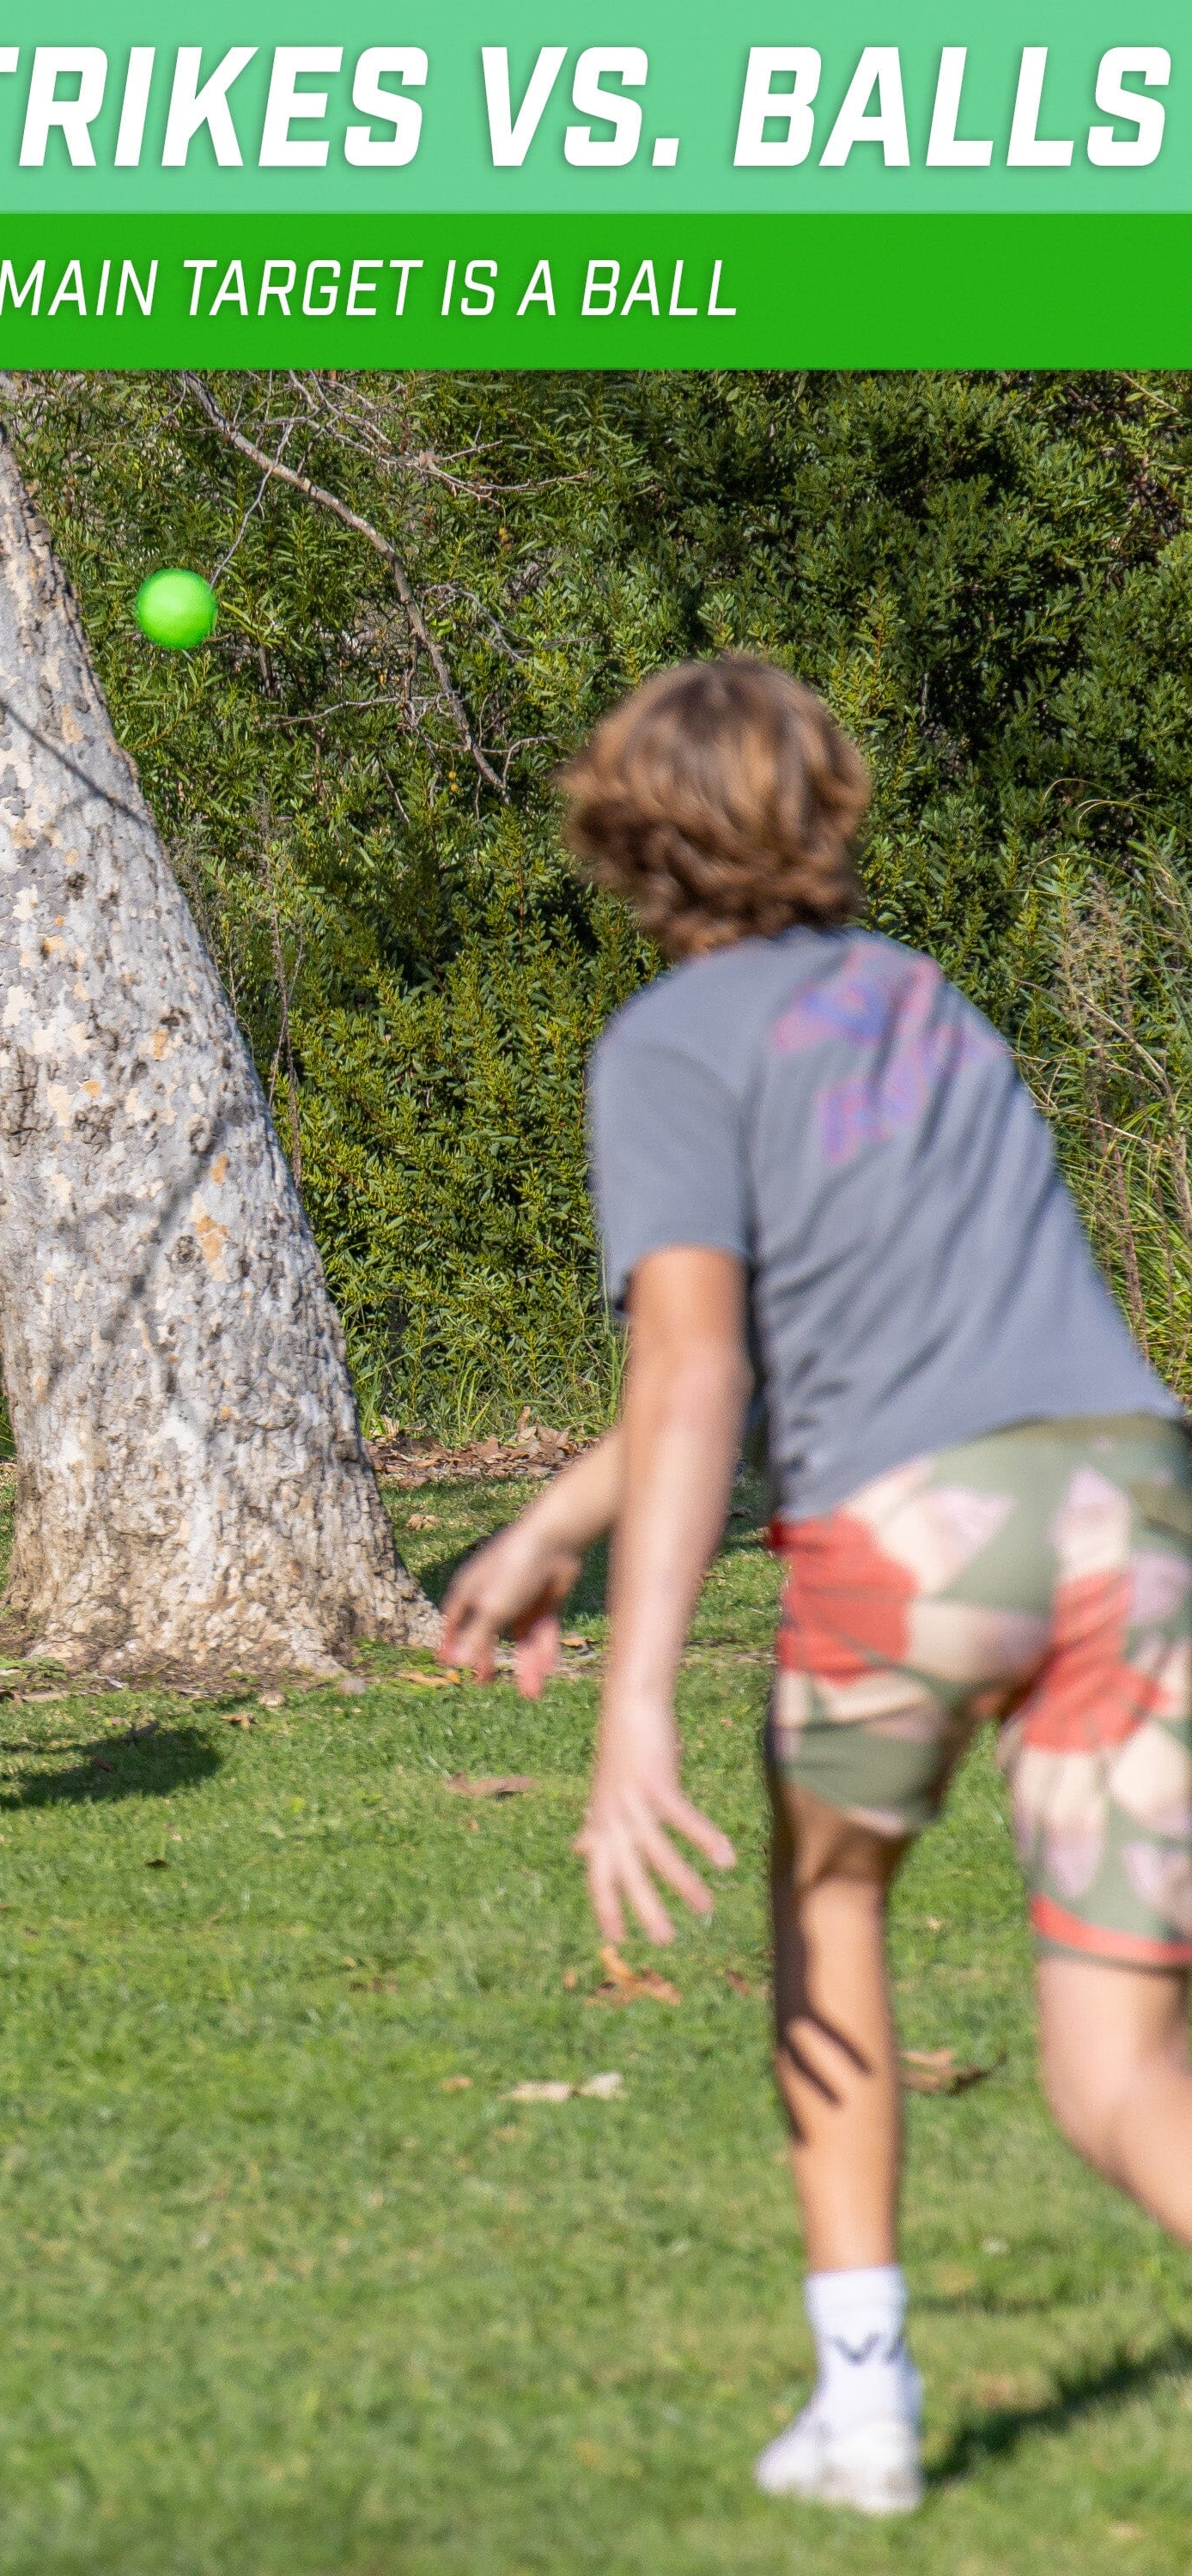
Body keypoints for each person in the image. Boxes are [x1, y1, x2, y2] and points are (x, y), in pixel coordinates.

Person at [438, 656, 1192, 2518]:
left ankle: (865, 2407)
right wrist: (550, 1522)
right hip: (1132, 1504)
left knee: (828, 1892)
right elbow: (828, 1337)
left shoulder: (670, 1049)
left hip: (920, 1538)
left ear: (625, 833)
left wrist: (635, 1707)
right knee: (1115, 2085)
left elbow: (700, 1375)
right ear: (830, 805)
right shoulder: (926, 1004)